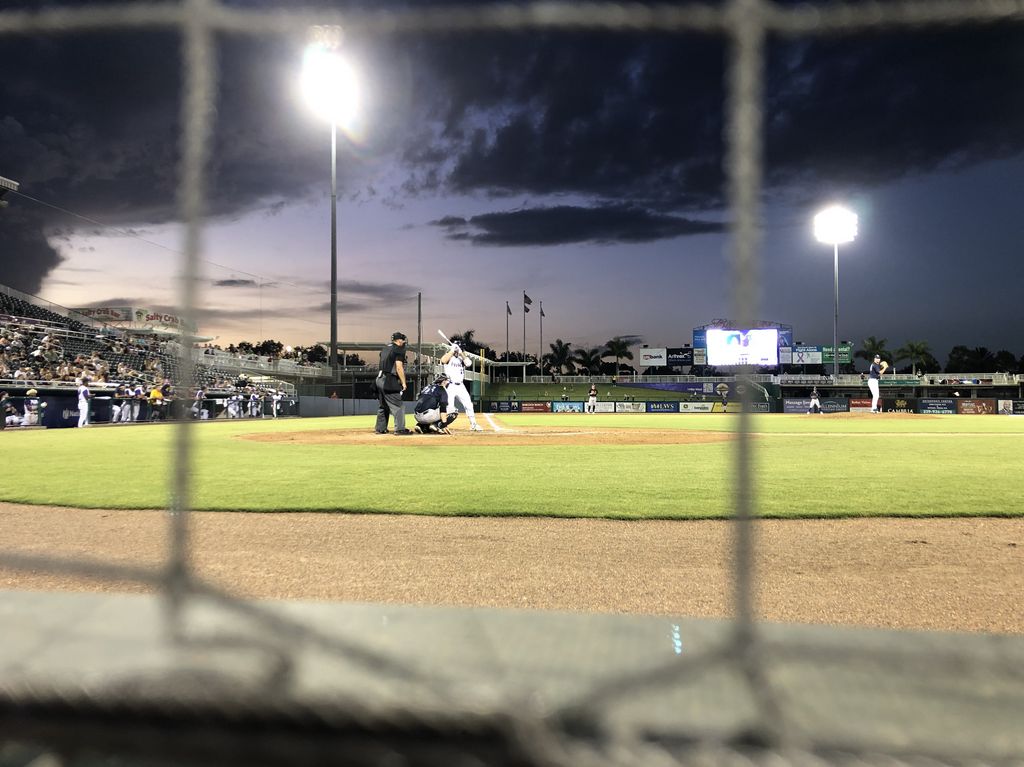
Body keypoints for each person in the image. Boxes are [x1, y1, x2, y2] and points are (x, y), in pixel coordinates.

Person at [440, 341, 483, 431]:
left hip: (460, 385)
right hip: (450, 385)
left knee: (469, 404)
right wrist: (452, 350)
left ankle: (473, 424)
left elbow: (469, 363)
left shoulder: (461, 358)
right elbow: (443, 360)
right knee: (449, 407)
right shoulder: (449, 356)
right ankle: (442, 425)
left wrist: (461, 353)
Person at [375, 331, 411, 435]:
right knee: (398, 405)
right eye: (402, 340)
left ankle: (380, 428)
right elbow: (399, 367)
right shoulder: (399, 349)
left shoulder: (385, 348)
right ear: (399, 340)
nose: (403, 342)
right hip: (388, 380)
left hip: (379, 378)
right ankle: (400, 429)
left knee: (383, 406)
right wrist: (404, 383)